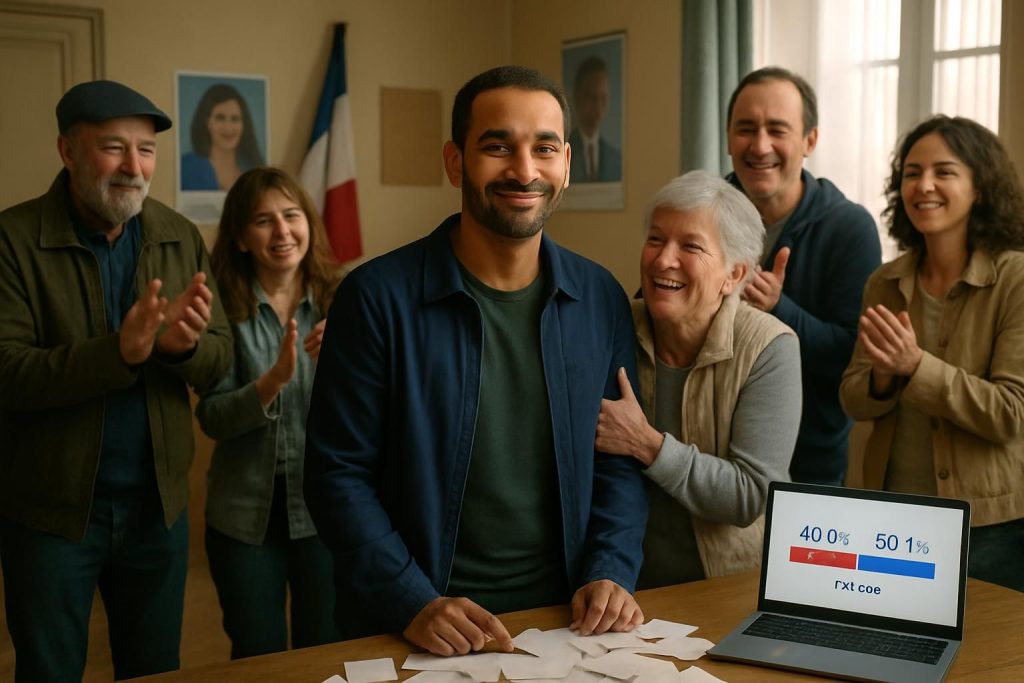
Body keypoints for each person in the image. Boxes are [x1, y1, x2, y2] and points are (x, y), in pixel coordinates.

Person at [305, 65, 647, 657]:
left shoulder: (601, 299)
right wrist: (410, 599)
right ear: (455, 161)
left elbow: (619, 462)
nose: (523, 169)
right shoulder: (375, 298)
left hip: (566, 624)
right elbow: (337, 475)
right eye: (497, 146)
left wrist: (611, 569)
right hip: (415, 625)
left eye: (543, 148)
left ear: (567, 163)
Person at [0, 80, 232, 680]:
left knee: (154, 669)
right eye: (113, 148)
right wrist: (120, 354)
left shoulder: (179, 234)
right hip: (52, 515)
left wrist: (181, 352)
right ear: (67, 150)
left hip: (159, 511)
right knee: (49, 671)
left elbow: (222, 359)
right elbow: (9, 374)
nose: (134, 166)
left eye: (146, 150)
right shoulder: (12, 240)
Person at [840, 115, 1024, 593]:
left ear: (979, 187)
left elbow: (1011, 413)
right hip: (892, 512)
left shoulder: (1015, 279)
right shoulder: (884, 280)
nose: (924, 186)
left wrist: (914, 367)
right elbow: (854, 400)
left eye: (944, 172)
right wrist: (884, 378)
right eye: (911, 173)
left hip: (990, 525)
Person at [596, 170, 801, 587]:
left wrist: (648, 445)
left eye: (690, 246)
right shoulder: (612, 326)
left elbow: (751, 495)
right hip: (623, 584)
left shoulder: (769, 346)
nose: (663, 259)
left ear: (733, 275)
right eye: (655, 239)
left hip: (730, 587)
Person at [195, 167, 342, 658]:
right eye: (263, 220)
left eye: (291, 215)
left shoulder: (340, 300)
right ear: (240, 237)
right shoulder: (219, 308)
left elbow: (379, 413)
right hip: (243, 516)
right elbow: (213, 418)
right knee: (257, 653)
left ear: (309, 224)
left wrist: (347, 365)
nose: (282, 232)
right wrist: (273, 380)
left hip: (326, 511)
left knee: (323, 649)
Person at [725, 66, 881, 485]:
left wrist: (778, 308)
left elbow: (852, 358)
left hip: (808, 470)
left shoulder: (849, 227)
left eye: (777, 129)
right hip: (708, 460)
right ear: (727, 137)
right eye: (745, 129)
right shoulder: (703, 213)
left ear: (810, 140)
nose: (760, 146)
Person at [181, 83, 263, 191]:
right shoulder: (187, 168)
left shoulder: (255, 169)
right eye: (220, 118)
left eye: (235, 119)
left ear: (244, 124)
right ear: (206, 122)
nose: (228, 127)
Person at [568, 56, 622, 183]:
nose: (598, 107)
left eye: (603, 98)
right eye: (592, 97)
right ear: (577, 97)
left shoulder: (615, 157)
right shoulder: (565, 150)